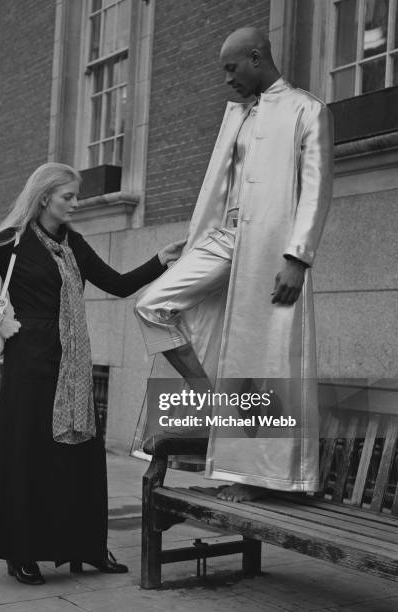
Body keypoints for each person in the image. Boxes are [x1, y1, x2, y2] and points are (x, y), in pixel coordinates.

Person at [0, 162, 184, 585]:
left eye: (77, 196)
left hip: (72, 363)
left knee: (79, 457)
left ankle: (86, 549)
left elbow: (116, 284)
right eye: (69, 197)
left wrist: (160, 261)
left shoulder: (73, 243)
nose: (76, 203)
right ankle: (20, 552)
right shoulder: (12, 241)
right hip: (30, 363)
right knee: (28, 456)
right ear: (45, 198)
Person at [135, 27, 333, 501]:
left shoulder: (308, 110)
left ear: (257, 57)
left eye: (231, 68)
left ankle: (254, 476)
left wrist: (298, 256)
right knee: (152, 304)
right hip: (224, 237)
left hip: (272, 249)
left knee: (263, 358)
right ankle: (210, 400)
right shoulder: (239, 115)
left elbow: (316, 189)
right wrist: (197, 242)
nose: (227, 79)